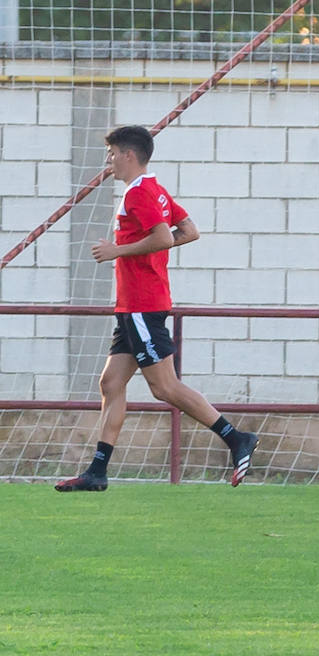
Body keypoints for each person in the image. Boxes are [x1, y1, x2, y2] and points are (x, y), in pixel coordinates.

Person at [56, 125, 257, 492]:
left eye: (113, 153)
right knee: (111, 382)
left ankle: (236, 438)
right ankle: (97, 473)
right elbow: (189, 230)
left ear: (129, 155)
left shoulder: (139, 194)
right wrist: (148, 251)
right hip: (133, 307)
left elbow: (164, 236)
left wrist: (117, 251)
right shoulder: (155, 189)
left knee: (164, 387)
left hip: (142, 306)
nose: (109, 160)